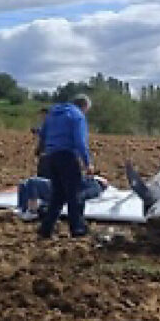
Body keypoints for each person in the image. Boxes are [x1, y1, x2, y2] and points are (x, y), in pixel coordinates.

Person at [37, 94, 94, 238]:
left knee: (58, 195)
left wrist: (40, 150)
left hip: (50, 157)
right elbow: (80, 142)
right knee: (75, 194)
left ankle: (46, 229)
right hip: (67, 156)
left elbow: (42, 134)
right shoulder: (77, 116)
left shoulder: (52, 113)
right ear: (84, 107)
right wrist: (88, 163)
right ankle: (78, 229)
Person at [17, 175, 108, 221]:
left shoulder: (96, 186)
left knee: (32, 182)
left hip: (60, 190)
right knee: (23, 184)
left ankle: (32, 211)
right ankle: (22, 209)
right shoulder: (87, 180)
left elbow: (85, 194)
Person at [32, 107, 52, 178]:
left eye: (42, 114)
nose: (41, 116)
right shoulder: (44, 123)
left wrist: (37, 131)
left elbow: (45, 133)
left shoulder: (49, 122)